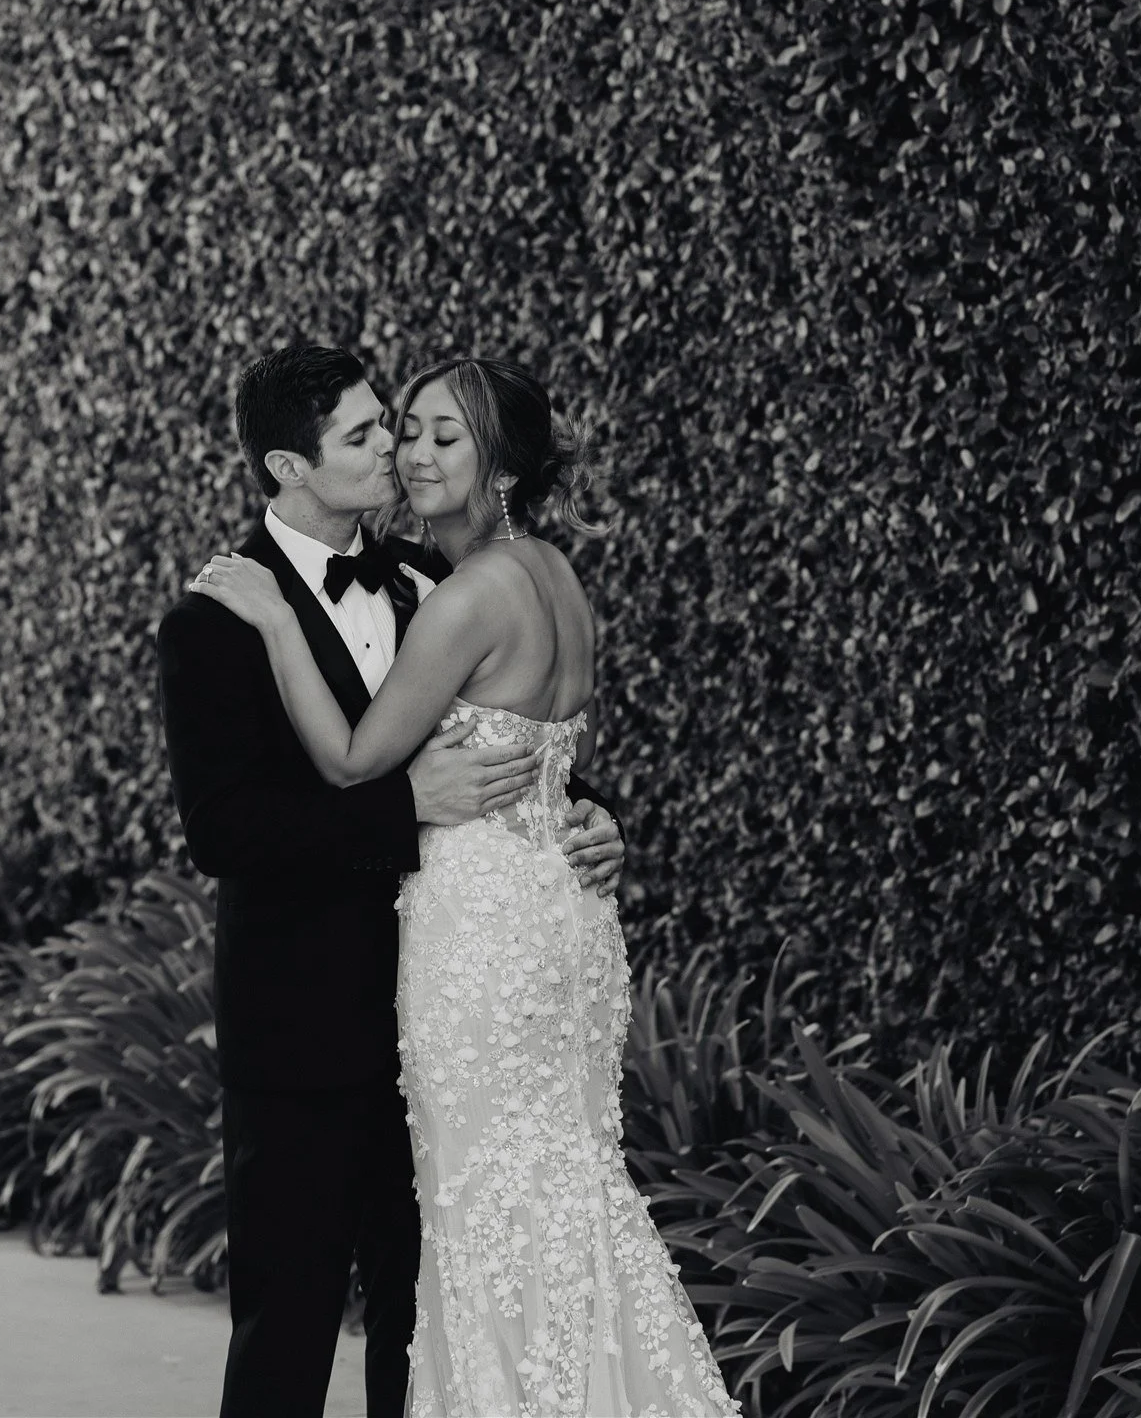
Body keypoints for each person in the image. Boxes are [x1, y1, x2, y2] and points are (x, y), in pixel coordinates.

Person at [192, 356, 736, 1418]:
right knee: (543, 1200)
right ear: (287, 463)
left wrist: (277, 625)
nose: (408, 451)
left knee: (488, 1211)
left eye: (440, 434)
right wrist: (573, 811)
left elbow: (360, 759)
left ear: (502, 466)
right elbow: (227, 827)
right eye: (395, 430)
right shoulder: (531, 570)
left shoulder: (455, 584)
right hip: (502, 931)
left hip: (483, 941)